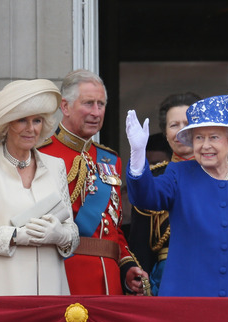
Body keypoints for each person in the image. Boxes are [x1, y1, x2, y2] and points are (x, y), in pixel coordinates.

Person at [125, 95, 228, 297]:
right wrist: (137, 155)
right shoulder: (179, 174)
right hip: (187, 301)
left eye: (214, 137)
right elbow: (146, 196)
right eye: (199, 138)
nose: (205, 145)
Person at [0, 79, 79, 295]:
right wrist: (18, 235)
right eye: (21, 120)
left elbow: (71, 231)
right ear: (6, 125)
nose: (30, 129)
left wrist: (59, 235)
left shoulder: (56, 166)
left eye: (36, 121)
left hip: (50, 292)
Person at [38, 69, 147, 295]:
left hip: (109, 280)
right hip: (64, 275)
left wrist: (126, 266)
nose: (96, 112)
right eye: (88, 103)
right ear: (65, 107)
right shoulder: (41, 156)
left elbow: (113, 228)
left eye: (101, 104)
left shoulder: (110, 159)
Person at [128, 92, 200, 295]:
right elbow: (139, 240)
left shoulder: (224, 173)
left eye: (187, 123)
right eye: (173, 125)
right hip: (165, 279)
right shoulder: (152, 178)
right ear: (165, 133)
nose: (180, 132)